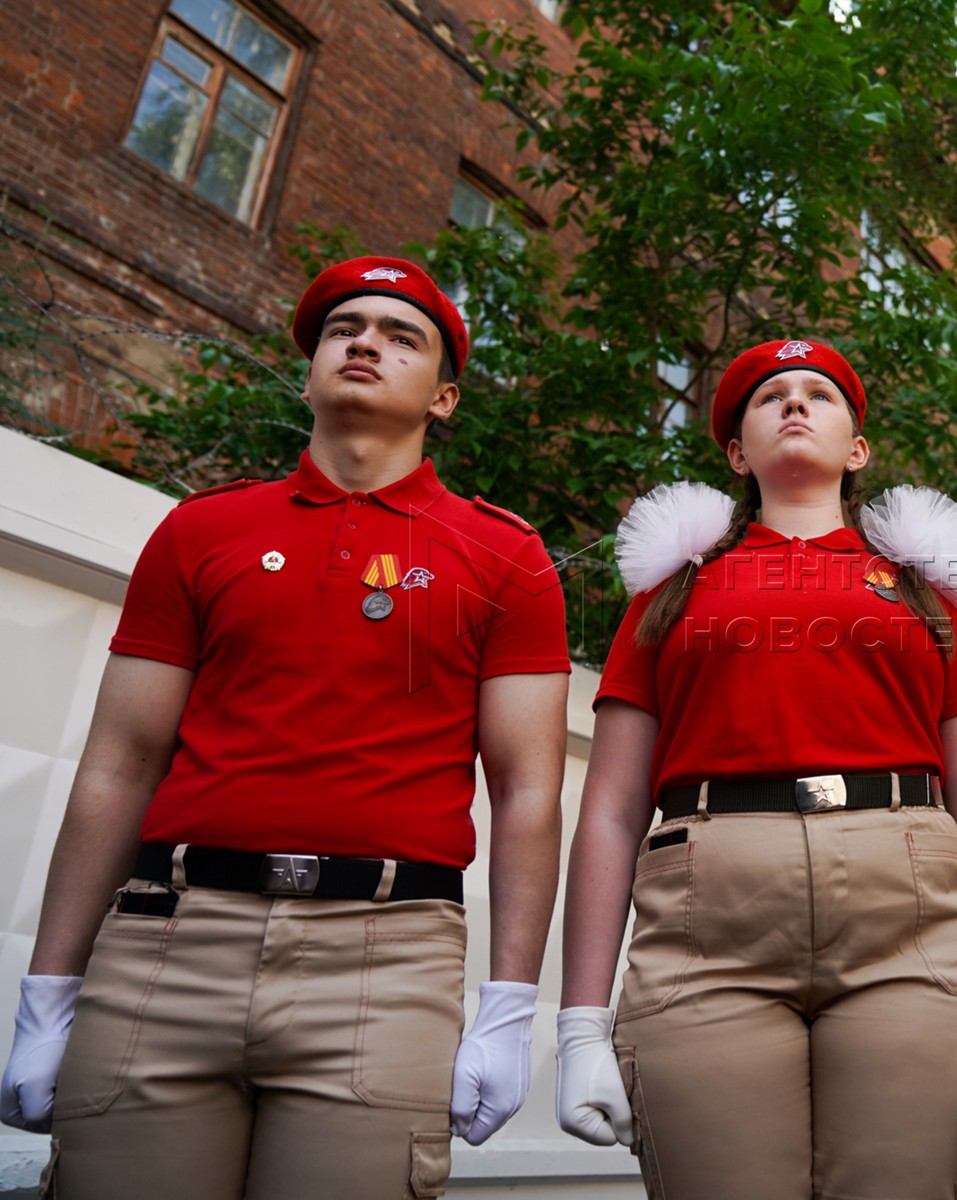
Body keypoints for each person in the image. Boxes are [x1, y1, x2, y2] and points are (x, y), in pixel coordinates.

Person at [0, 257, 571, 1199]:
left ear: (445, 399)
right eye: (345, 329)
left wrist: (511, 1005)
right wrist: (50, 989)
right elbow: (118, 764)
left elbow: (528, 793)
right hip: (167, 946)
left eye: (402, 337)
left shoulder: (505, 557)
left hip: (386, 963)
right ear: (309, 371)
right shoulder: (201, 532)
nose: (366, 344)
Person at [553, 338, 957, 1199]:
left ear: (857, 449)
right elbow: (610, 807)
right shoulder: (671, 588)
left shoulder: (928, 589)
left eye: (817, 393)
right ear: (738, 453)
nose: (793, 403)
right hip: (706, 929)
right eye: (770, 395)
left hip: (911, 926)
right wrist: (580, 1026)